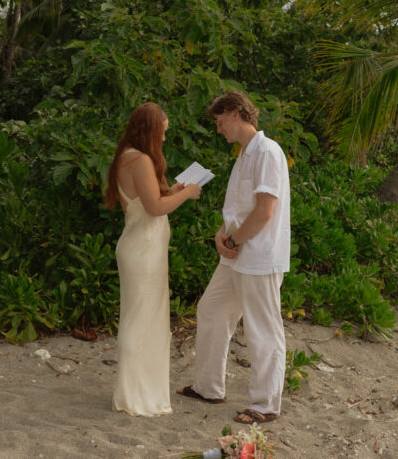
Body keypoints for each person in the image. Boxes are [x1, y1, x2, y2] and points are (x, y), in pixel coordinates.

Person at [177, 90, 291, 425]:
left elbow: (265, 211)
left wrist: (233, 240)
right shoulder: (244, 154)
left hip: (258, 255)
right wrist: (221, 235)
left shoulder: (268, 152)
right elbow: (239, 209)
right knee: (211, 309)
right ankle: (209, 387)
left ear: (236, 113)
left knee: (263, 328)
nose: (217, 129)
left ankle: (266, 405)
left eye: (219, 120)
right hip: (236, 252)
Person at [105, 103, 201, 417]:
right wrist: (187, 194)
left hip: (140, 248)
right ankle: (134, 394)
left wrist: (172, 189)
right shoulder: (142, 160)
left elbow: (152, 198)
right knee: (140, 321)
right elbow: (156, 209)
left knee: (142, 319)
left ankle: (136, 389)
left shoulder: (127, 156)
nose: (163, 138)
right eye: (162, 131)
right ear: (150, 129)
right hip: (143, 250)